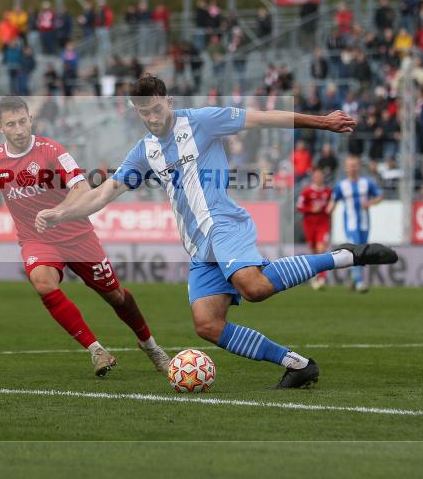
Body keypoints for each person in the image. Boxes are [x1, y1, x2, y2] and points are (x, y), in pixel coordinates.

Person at [36, 74, 398, 389]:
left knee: (253, 287)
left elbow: (263, 119)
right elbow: (103, 193)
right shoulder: (144, 152)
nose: (152, 117)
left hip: (224, 224)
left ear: (170, 102)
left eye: (157, 109)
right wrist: (61, 212)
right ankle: (298, 365)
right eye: (144, 112)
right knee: (207, 325)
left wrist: (322, 122)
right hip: (198, 246)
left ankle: (345, 255)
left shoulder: (203, 121)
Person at [0, 96, 171, 377]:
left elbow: (80, 188)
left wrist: (58, 211)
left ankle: (150, 345)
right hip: (38, 240)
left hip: (77, 235)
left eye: (22, 121)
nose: (19, 129)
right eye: (11, 124)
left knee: (115, 296)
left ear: (31, 119)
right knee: (43, 283)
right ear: (0, 128)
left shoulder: (52, 151)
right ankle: (96, 350)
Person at [326, 156, 383, 293]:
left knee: (361, 253)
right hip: (350, 226)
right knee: (357, 250)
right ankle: (359, 282)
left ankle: (354, 278)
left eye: (355, 165)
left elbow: (379, 196)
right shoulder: (341, 186)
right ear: (346, 168)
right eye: (350, 165)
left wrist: (370, 203)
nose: (353, 168)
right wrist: (328, 211)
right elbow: (333, 202)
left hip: (365, 225)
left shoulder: (366, 183)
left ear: (359, 167)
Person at [297, 167, 333, 290]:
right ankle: (314, 277)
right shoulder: (306, 192)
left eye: (320, 176)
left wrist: (331, 208)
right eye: (316, 176)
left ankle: (322, 279)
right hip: (309, 224)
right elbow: (299, 207)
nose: (318, 178)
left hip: (323, 224)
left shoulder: (328, 192)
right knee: (313, 252)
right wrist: (311, 209)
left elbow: (333, 203)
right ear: (313, 177)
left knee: (321, 249)